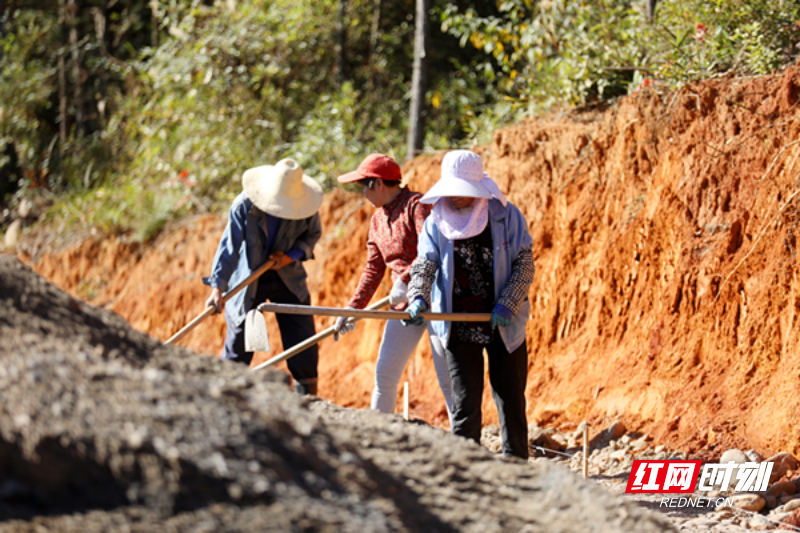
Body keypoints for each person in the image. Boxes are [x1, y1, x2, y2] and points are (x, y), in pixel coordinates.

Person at [404, 149, 534, 459]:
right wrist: (418, 295)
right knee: (464, 404)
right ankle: (467, 467)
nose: (456, 198)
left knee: (511, 397)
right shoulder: (436, 219)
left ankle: (517, 467)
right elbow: (425, 262)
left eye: (463, 191)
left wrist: (508, 303)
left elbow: (524, 263)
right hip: (458, 322)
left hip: (502, 320)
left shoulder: (505, 215)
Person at [334, 153, 454, 419]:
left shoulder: (417, 206)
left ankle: (466, 439)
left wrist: (405, 279)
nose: (363, 194)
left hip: (437, 300)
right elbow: (373, 269)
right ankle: (379, 433)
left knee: (448, 376)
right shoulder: (377, 221)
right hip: (403, 305)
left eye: (364, 186)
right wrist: (352, 308)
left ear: (377, 183)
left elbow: (432, 251)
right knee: (385, 374)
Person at [203, 159, 323, 395]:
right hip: (248, 280)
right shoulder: (244, 206)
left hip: (287, 276)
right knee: (238, 341)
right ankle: (226, 395)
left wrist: (290, 256)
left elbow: (312, 235)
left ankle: (307, 398)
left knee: (302, 339)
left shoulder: (304, 206)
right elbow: (228, 248)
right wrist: (217, 288)